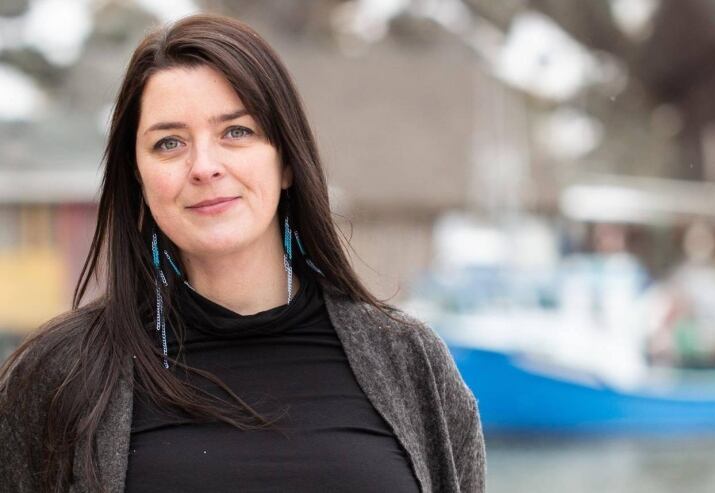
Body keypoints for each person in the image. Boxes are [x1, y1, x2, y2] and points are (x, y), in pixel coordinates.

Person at [0, 13, 485, 493]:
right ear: (139, 180)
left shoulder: (408, 359)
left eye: (236, 132)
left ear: (287, 161)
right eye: (169, 143)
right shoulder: (58, 374)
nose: (204, 166)